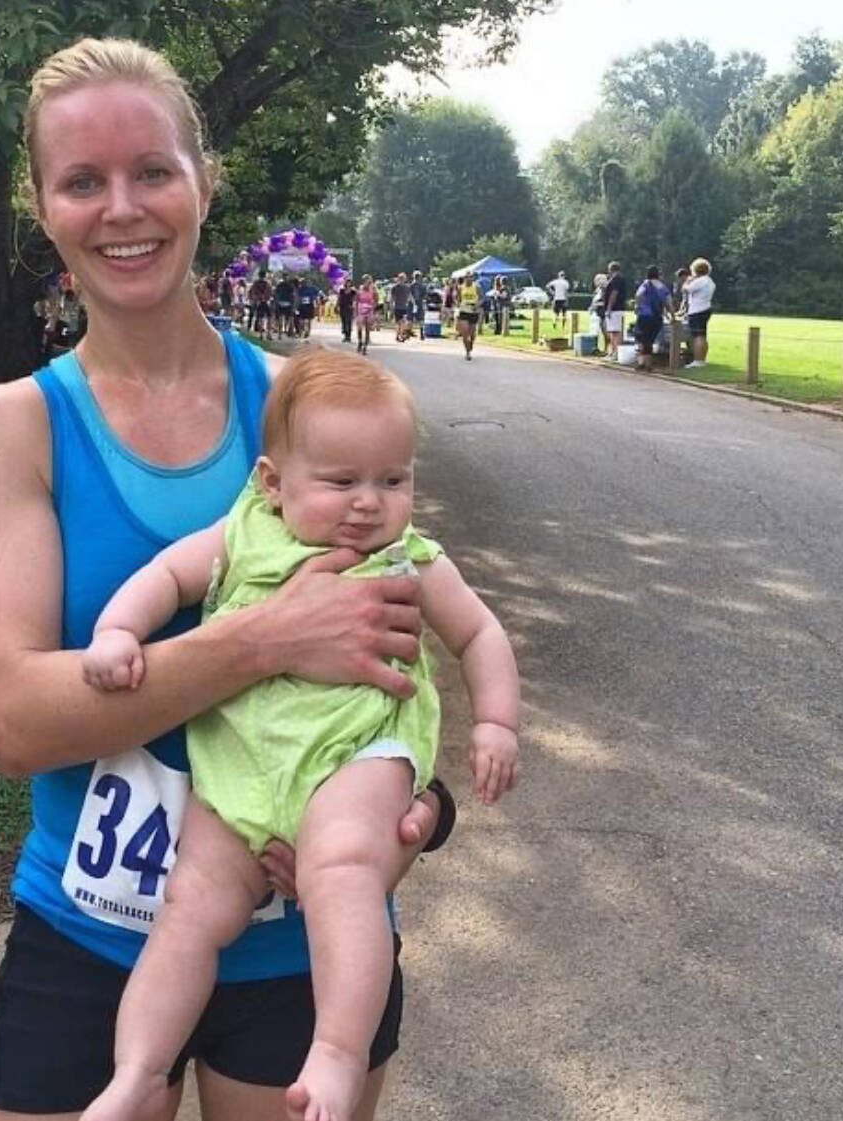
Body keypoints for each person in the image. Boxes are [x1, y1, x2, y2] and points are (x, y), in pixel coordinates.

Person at [0, 37, 452, 1121]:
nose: (122, 207)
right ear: (44, 207)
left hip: (296, 941)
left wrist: (422, 810)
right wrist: (266, 638)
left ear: (203, 183)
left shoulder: (308, 408)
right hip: (88, 925)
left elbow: (405, 638)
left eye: (153, 171)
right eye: (83, 180)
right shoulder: (10, 428)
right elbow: (17, 721)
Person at [80, 349, 520, 1121]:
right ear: (272, 481)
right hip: (241, 768)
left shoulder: (410, 557)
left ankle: (336, 1052)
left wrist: (495, 721)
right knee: (190, 907)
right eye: (342, 481)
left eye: (393, 479)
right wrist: (120, 630)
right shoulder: (245, 533)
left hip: (356, 755)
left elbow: (479, 631)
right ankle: (136, 1071)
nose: (369, 503)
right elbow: (168, 577)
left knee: (344, 870)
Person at [632, 266, 675, 371]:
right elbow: (668, 303)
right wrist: (673, 315)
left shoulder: (645, 284)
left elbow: (638, 296)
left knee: (641, 338)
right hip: (656, 316)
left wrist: (637, 307)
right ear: (658, 275)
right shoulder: (663, 287)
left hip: (644, 315)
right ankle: (648, 363)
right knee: (650, 340)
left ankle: (642, 362)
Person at [683, 258, 716, 369]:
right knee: (703, 335)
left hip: (697, 310)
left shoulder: (700, 281)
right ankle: (702, 359)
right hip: (706, 308)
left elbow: (686, 289)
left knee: (697, 336)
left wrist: (687, 281)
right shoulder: (710, 281)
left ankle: (698, 360)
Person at [601, 261, 627, 361]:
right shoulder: (617, 279)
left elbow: (614, 294)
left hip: (615, 309)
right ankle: (612, 351)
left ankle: (616, 352)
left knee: (615, 331)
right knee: (612, 331)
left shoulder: (617, 279)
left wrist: (609, 307)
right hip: (615, 309)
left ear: (611, 269)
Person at [456, 274, 480, 360]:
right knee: (465, 332)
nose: (469, 279)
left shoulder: (476, 287)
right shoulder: (460, 287)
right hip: (464, 311)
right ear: (465, 279)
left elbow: (481, 298)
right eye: (467, 277)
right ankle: (467, 352)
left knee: (472, 334)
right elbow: (458, 299)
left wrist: (477, 305)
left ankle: (471, 344)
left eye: (470, 277)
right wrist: (458, 306)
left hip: (473, 311)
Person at [354, 275, 377, 355]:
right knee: (360, 327)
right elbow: (356, 300)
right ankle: (360, 341)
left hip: (369, 309)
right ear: (364, 281)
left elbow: (375, 299)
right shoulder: (360, 290)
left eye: (370, 282)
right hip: (361, 310)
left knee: (368, 329)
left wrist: (373, 307)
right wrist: (356, 311)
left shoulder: (372, 290)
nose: (369, 283)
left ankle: (365, 347)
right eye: (368, 281)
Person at [588, 273, 608, 353]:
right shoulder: (598, 290)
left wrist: (596, 305)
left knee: (605, 331)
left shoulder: (604, 290)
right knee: (597, 330)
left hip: (602, 312)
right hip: (597, 312)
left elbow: (604, 302)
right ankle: (598, 348)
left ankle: (606, 349)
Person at [248, 270, 271, 337]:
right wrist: (266, 298)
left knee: (256, 316)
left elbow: (252, 292)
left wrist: (253, 299)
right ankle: (268, 333)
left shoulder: (255, 283)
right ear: (265, 275)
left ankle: (258, 332)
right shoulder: (267, 284)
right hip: (265, 301)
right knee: (269, 317)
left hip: (257, 301)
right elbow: (269, 293)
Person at [389, 272, 411, 342]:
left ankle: (401, 335)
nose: (402, 280)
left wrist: (409, 303)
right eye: (401, 279)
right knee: (398, 322)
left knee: (403, 321)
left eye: (403, 279)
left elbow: (409, 297)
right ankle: (398, 335)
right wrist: (391, 306)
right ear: (398, 279)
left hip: (404, 307)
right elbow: (392, 298)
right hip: (397, 307)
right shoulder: (395, 288)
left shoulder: (407, 287)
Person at [409, 270, 428, 340]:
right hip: (419, 303)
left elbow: (409, 295)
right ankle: (421, 333)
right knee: (420, 319)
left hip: (412, 303)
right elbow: (425, 295)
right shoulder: (422, 286)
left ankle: (410, 332)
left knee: (411, 318)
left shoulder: (411, 285)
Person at [336, 278, 356, 344]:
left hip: (349, 308)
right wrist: (337, 306)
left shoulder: (353, 291)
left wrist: (354, 305)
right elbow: (339, 298)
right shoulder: (342, 290)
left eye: (349, 283)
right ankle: (345, 335)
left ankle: (349, 336)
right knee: (344, 321)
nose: (348, 284)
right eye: (347, 282)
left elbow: (355, 299)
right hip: (342, 307)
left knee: (349, 321)